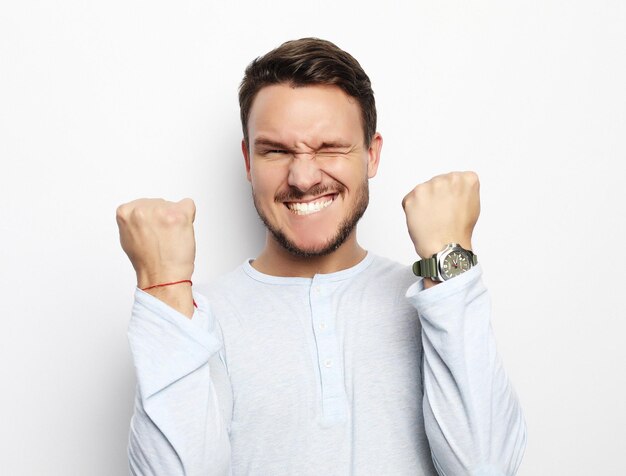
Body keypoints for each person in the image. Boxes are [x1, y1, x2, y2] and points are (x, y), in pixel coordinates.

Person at [116, 38, 527, 476]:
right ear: (248, 160)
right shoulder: (195, 317)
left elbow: (486, 468)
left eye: (329, 147)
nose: (303, 176)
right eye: (276, 150)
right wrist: (163, 286)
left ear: (372, 154)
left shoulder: (433, 298)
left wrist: (450, 264)